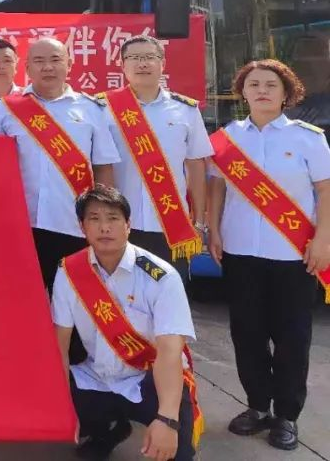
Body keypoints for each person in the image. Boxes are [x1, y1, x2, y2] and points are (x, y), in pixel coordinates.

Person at [207, 59, 330, 452]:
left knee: (292, 338)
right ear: (242, 92)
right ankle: (258, 406)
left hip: (293, 255)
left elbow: (326, 191)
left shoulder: (308, 138)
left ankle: (287, 415)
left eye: (271, 85)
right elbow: (217, 188)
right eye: (254, 84)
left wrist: (324, 239)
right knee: (247, 334)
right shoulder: (226, 139)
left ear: (286, 93)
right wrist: (214, 230)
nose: (262, 90)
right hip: (241, 252)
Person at [53, 185, 200, 461]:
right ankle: (106, 433)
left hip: (148, 379)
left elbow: (169, 352)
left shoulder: (162, 277)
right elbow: (59, 345)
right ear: (82, 227)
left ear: (128, 225)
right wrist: (60, 409)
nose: (104, 227)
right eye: (94, 219)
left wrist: (167, 420)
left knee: (176, 448)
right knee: (55, 402)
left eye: (113, 218)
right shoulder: (69, 271)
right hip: (96, 376)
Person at [0, 37, 120, 292]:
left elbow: (103, 166)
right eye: (39, 61)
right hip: (22, 225)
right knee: (25, 298)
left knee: (73, 299)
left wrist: (103, 218)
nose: (48, 67)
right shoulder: (7, 110)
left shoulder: (91, 109)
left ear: (69, 65)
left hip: (73, 223)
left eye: (55, 60)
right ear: (27, 68)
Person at [99, 35, 213, 273]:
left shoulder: (186, 110)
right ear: (122, 65)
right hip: (117, 223)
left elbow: (195, 166)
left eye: (149, 57)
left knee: (169, 291)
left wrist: (200, 222)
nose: (142, 63)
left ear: (162, 63)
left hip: (171, 223)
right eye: (134, 57)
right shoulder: (103, 108)